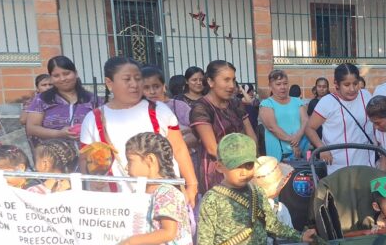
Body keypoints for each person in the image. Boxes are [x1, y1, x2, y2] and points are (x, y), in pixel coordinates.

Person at [79, 57, 198, 206]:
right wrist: (91, 183)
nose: (134, 85)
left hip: (162, 202)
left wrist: (192, 185)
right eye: (127, 79)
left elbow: (179, 149)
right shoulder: (93, 119)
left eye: (137, 78)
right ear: (109, 83)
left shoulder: (159, 110)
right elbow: (85, 159)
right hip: (115, 204)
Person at [190, 60, 257, 195]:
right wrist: (237, 166)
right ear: (210, 82)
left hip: (244, 168)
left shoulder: (235, 104)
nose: (231, 85)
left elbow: (252, 138)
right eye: (226, 80)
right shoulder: (201, 108)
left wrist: (251, 163)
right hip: (218, 171)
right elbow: (212, 148)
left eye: (233, 80)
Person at [305, 63, 375, 174]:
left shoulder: (366, 96)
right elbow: (309, 128)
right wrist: (321, 148)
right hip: (337, 167)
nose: (352, 89)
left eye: (355, 84)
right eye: (347, 85)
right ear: (336, 84)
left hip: (366, 163)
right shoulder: (327, 102)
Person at [25, 56, 97, 145]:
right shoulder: (42, 99)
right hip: (54, 155)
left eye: (66, 73)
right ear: (51, 78)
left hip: (88, 154)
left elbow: (101, 127)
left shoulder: (91, 99)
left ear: (76, 73)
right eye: (56, 76)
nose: (62, 79)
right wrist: (59, 134)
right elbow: (31, 128)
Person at [259, 70, 308, 161]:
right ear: (270, 86)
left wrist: (298, 136)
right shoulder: (267, 104)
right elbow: (272, 127)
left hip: (301, 149)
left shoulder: (298, 102)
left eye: (285, 83)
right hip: (279, 153)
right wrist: (294, 142)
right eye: (278, 84)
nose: (283, 87)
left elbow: (305, 121)